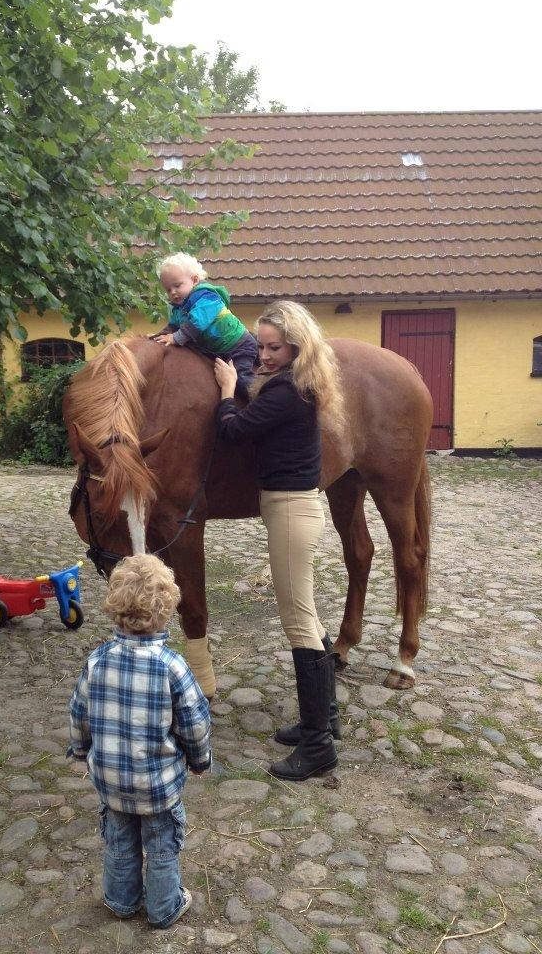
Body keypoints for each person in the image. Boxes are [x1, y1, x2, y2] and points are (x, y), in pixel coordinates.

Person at [213, 300, 343, 782]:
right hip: (292, 506)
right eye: (261, 346)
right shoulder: (296, 384)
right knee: (307, 611)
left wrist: (228, 391)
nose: (264, 355)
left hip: (290, 509)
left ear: (296, 347)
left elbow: (233, 432)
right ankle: (326, 717)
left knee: (298, 621)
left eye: (274, 347)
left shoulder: (287, 390)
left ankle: (318, 748)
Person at [68, 553, 212, 928]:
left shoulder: (96, 661)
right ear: (167, 611)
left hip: (112, 781)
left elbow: (79, 712)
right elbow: (194, 722)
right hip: (158, 786)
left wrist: (81, 750)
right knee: (162, 846)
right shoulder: (173, 667)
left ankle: (120, 900)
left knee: (119, 841)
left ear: (115, 608)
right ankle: (164, 907)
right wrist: (200, 760)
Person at [152, 252, 259, 395]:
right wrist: (159, 337)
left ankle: (260, 398)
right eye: (168, 289)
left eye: (177, 286)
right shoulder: (179, 308)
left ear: (195, 280)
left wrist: (176, 338)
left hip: (238, 346)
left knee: (241, 379)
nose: (173, 292)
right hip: (218, 350)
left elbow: (196, 323)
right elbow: (173, 327)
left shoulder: (207, 298)